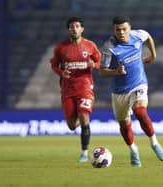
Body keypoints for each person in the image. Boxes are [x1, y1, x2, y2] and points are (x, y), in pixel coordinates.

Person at [99, 16, 163, 167]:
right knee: (124, 124)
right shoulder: (109, 47)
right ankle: (133, 150)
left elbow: (148, 36)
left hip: (139, 84)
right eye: (118, 30)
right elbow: (102, 72)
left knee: (140, 111)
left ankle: (154, 143)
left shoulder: (138, 35)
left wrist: (153, 54)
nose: (121, 32)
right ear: (113, 30)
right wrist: (115, 71)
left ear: (130, 28)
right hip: (119, 92)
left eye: (124, 29)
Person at [51, 17, 101, 162]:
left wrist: (94, 65)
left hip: (85, 87)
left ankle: (84, 153)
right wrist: (61, 72)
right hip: (67, 90)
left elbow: (99, 61)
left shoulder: (90, 46)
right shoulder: (61, 48)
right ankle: (82, 112)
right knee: (72, 125)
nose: (74, 29)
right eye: (72, 27)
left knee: (84, 117)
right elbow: (54, 65)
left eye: (77, 26)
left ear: (82, 29)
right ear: (69, 29)